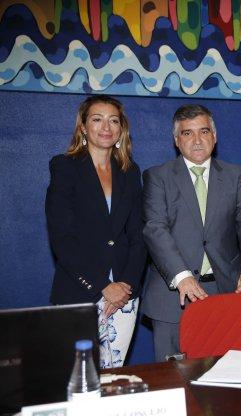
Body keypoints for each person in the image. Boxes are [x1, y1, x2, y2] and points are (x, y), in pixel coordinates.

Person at [142, 104, 241, 362]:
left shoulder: (235, 175)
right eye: (187, 133)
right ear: (176, 140)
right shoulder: (157, 176)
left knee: (226, 375)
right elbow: (155, 228)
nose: (197, 140)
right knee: (174, 380)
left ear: (215, 136)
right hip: (173, 298)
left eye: (204, 131)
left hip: (225, 292)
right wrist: (182, 276)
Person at [45, 95, 146, 368]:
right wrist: (103, 286)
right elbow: (62, 238)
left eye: (114, 120)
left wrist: (125, 286)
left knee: (111, 379)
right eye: (97, 119)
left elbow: (138, 236)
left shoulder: (130, 171)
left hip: (124, 297)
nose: (106, 126)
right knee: (74, 379)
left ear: (121, 129)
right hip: (80, 292)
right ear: (83, 126)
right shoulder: (65, 167)